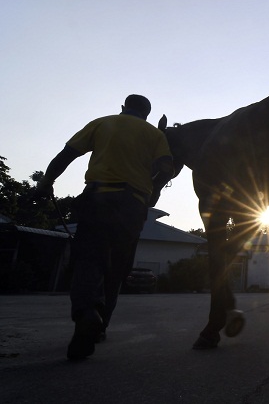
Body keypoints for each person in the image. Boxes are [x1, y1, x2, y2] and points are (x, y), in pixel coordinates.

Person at [35, 94, 174, 360]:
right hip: (133, 205)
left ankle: (88, 313)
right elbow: (167, 168)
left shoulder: (102, 123)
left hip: (99, 199)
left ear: (123, 108)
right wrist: (152, 192)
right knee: (117, 267)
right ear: (146, 114)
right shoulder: (156, 135)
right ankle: (100, 327)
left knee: (89, 260)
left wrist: (46, 183)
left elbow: (66, 155)